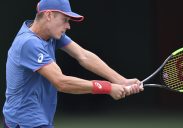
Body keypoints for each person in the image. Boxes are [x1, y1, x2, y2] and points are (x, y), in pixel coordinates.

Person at [3, 0, 144, 127]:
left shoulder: (50, 35)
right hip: (24, 122)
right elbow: (61, 82)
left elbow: (83, 56)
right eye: (65, 20)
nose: (68, 26)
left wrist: (120, 80)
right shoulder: (29, 43)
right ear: (49, 15)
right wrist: (108, 88)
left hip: (35, 120)